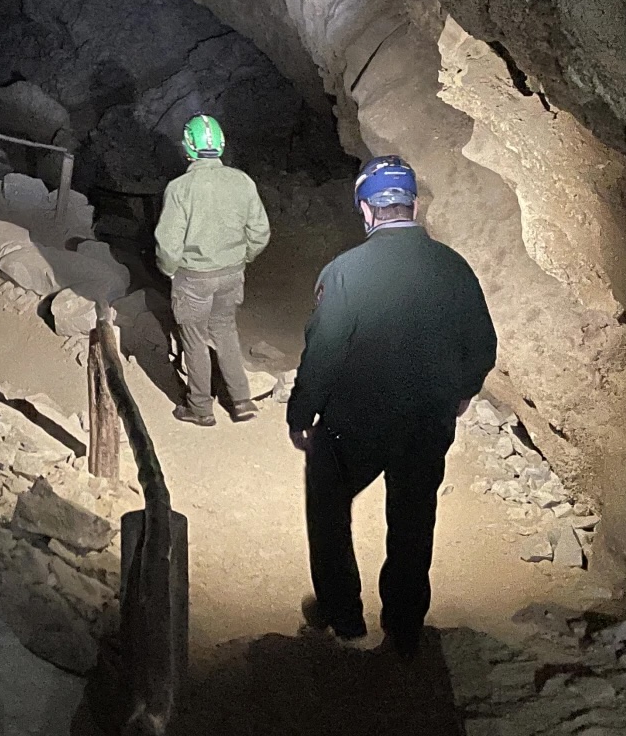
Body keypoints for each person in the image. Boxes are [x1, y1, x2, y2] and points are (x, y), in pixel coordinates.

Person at [287, 154, 497, 657]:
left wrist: (301, 414)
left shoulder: (346, 271)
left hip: (354, 423)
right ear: (414, 204)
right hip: (427, 420)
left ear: (365, 209)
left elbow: (324, 350)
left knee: (328, 502)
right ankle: (403, 625)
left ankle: (344, 616)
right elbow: (483, 343)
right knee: (412, 517)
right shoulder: (453, 266)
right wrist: (462, 390)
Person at [154, 114, 272, 426]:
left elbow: (168, 243)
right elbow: (260, 232)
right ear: (221, 145)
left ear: (187, 147)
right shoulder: (242, 181)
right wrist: (242, 258)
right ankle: (242, 400)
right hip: (231, 274)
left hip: (193, 277)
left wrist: (169, 270)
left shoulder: (180, 188)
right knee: (225, 331)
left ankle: (200, 408)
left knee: (193, 339)